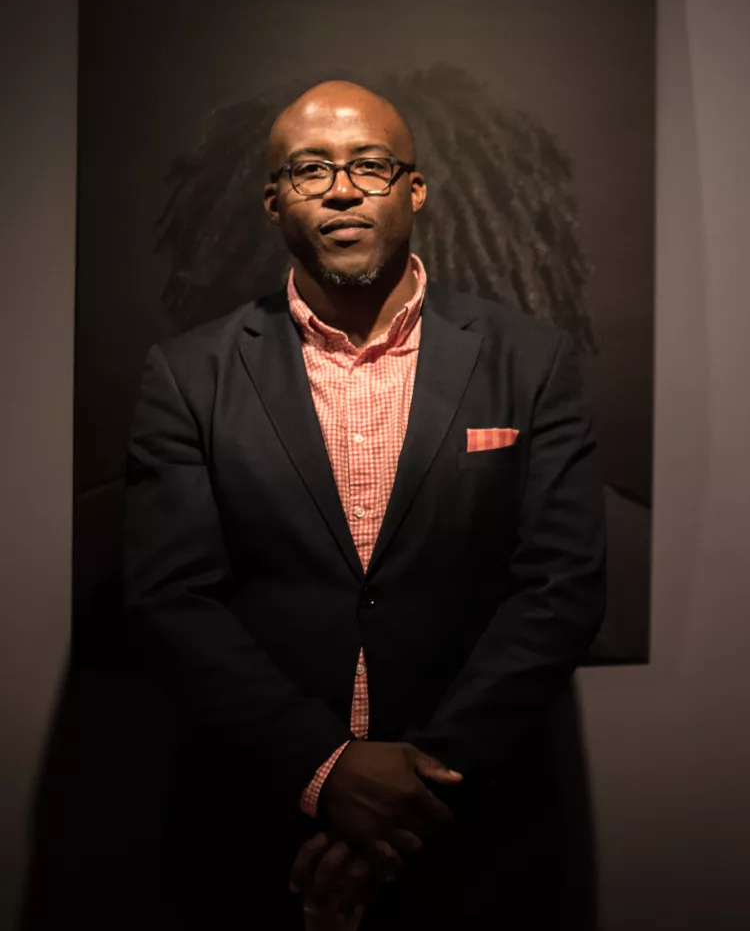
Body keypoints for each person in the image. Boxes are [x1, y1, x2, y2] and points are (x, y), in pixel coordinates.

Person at [122, 80, 606, 927]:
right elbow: (171, 598)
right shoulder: (189, 375)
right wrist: (325, 772)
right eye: (310, 170)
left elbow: (562, 588)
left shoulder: (530, 362)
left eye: (370, 166)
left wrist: (417, 788)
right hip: (258, 824)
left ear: (414, 190)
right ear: (273, 202)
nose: (342, 190)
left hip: (479, 828)